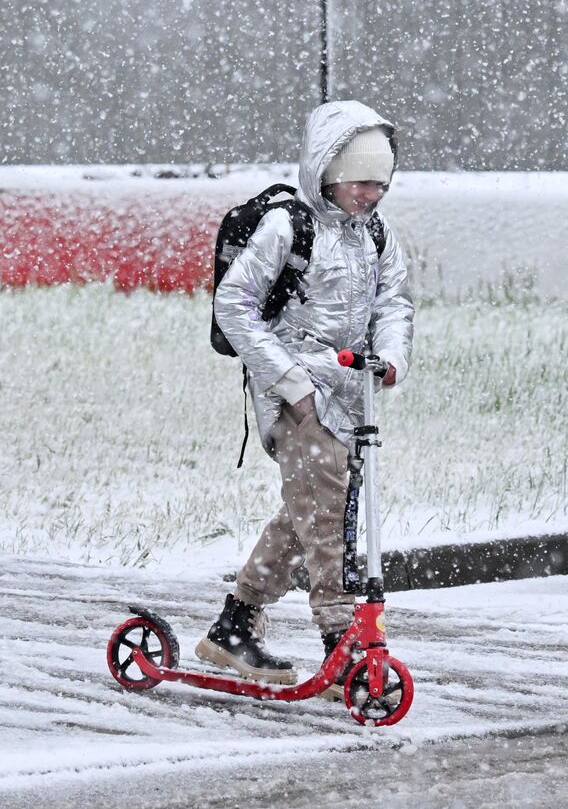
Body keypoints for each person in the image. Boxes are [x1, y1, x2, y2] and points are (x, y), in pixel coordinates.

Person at [197, 100, 414, 697]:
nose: (372, 195)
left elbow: (394, 302)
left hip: (352, 389)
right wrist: (290, 382)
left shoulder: (373, 233)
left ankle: (234, 624)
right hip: (293, 389)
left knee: (307, 510)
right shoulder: (288, 226)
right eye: (361, 182)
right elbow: (234, 304)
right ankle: (341, 637)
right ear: (327, 171)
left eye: (381, 183)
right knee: (328, 514)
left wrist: (392, 359)